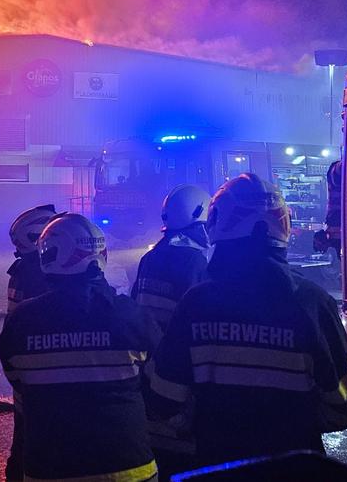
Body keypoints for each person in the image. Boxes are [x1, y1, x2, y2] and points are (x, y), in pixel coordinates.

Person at [145, 173, 347, 472]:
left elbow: (163, 398)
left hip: (217, 465)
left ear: (218, 224)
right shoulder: (313, 303)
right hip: (296, 470)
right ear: (282, 225)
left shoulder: (196, 304)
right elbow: (344, 407)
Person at [0, 213, 160, 482]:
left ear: (48, 257)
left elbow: (18, 381)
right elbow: (157, 381)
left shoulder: (22, 322)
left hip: (49, 469)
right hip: (129, 468)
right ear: (100, 255)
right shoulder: (131, 316)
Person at [131, 185, 211, 479]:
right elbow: (197, 323)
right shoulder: (194, 261)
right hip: (177, 374)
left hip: (148, 368)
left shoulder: (150, 258)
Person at [3, 203, 59, 480]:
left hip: (26, 386)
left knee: (23, 448)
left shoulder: (21, 270)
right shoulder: (40, 275)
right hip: (46, 391)